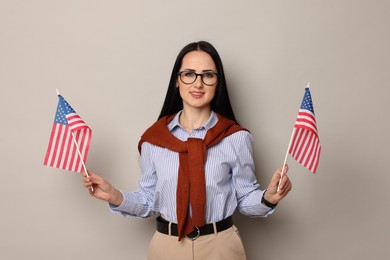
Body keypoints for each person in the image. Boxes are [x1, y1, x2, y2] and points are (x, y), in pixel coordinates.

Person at [82, 41, 292, 260]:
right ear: (177, 80)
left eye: (208, 75)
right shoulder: (154, 140)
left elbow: (245, 199)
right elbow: (149, 200)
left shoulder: (236, 138)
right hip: (168, 247)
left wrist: (269, 197)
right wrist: (115, 196)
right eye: (189, 74)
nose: (198, 84)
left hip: (220, 246)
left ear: (217, 83)